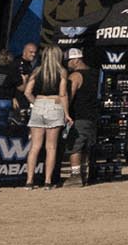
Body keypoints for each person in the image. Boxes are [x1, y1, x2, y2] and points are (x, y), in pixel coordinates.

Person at [22, 44, 68, 189]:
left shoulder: (37, 71)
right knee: (51, 147)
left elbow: (27, 92)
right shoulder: (62, 72)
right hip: (54, 105)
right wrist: (66, 113)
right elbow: (62, 94)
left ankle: (29, 180)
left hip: (39, 104)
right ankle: (47, 181)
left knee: (34, 146)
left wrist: (36, 103)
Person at [65, 46, 101, 186]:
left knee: (75, 146)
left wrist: (64, 111)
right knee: (86, 146)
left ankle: (75, 176)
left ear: (76, 60)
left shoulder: (75, 76)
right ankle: (84, 174)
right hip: (93, 115)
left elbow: (69, 96)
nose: (67, 64)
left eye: (68, 61)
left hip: (79, 115)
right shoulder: (97, 74)